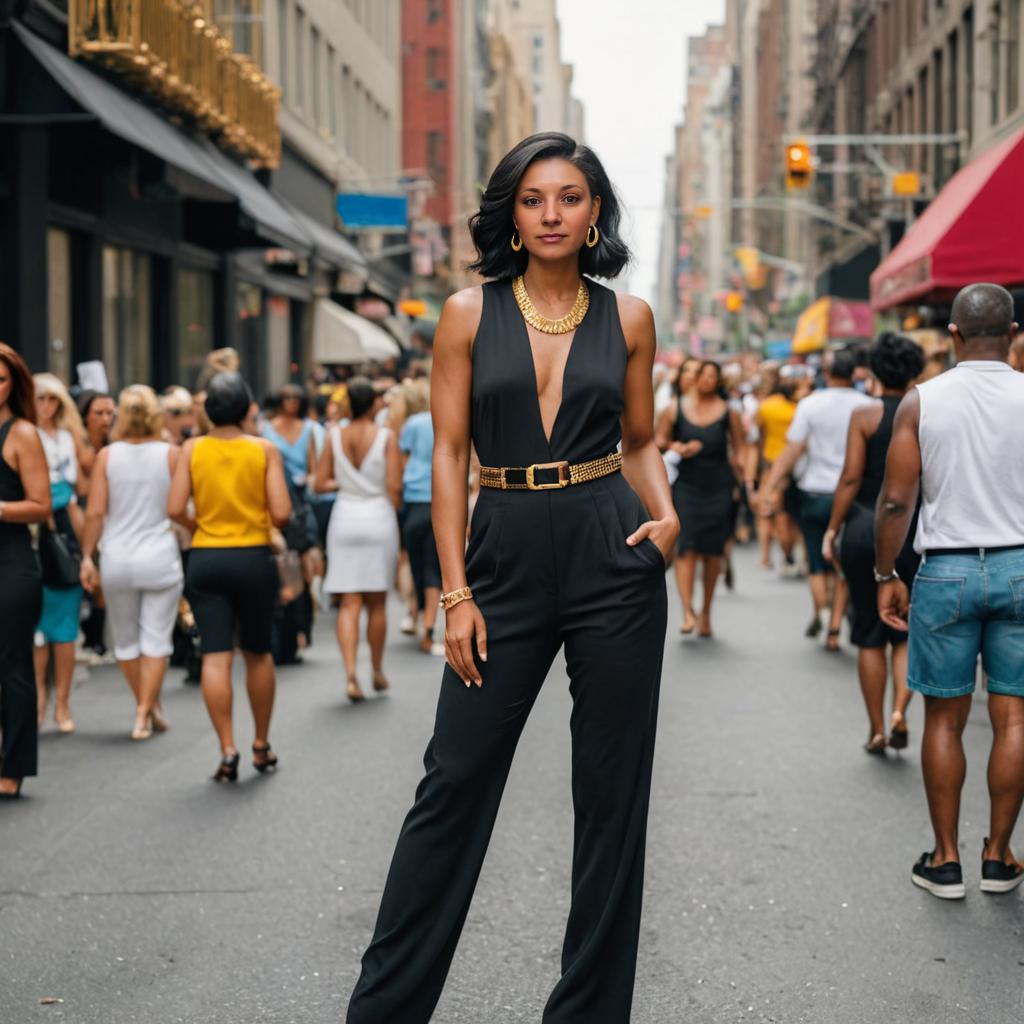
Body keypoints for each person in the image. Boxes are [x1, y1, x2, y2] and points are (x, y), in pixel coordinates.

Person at [346, 132, 676, 1024]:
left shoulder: (631, 317)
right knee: (453, 780)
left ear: (595, 209)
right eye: (533, 200)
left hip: (614, 546)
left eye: (569, 197)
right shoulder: (465, 313)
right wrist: (454, 593)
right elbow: (449, 452)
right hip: (502, 551)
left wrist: (667, 513)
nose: (551, 214)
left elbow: (639, 439)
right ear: (512, 215)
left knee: (612, 794)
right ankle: (382, 1010)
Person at [876, 283, 1024, 901]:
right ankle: (999, 855)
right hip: (1021, 567)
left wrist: (887, 575)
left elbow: (894, 500)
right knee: (1013, 714)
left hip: (947, 571)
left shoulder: (923, 401)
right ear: (1012, 334)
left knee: (945, 716)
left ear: (954, 336)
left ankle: (945, 861)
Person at [168, 372, 291, 782]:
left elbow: (173, 508)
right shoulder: (264, 450)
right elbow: (282, 512)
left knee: (215, 656)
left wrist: (200, 522)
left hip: (206, 556)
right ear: (246, 408)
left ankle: (227, 747)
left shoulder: (191, 449)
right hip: (253, 556)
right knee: (257, 652)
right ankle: (260, 743)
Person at [823, 334, 925, 754]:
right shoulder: (925, 414)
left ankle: (877, 728)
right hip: (914, 531)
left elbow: (850, 478)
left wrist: (833, 528)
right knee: (905, 633)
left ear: (875, 371)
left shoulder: (864, 415)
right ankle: (902, 710)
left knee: (869, 632)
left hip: (866, 526)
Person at [79, 386, 183, 741]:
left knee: (125, 640)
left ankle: (145, 705)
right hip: (158, 554)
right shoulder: (171, 454)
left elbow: (95, 511)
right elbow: (181, 506)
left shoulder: (108, 456)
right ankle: (145, 710)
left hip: (117, 556)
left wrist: (86, 556)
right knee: (156, 639)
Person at [760, 349, 873, 650]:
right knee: (842, 559)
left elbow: (793, 449)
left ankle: (822, 610)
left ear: (826, 371)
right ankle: (835, 624)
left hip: (815, 491)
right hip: (854, 494)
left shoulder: (811, 405)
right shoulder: (868, 405)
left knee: (815, 557)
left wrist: (769, 487)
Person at [315, 377, 402, 701]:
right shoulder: (386, 437)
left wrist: (344, 485)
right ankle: (376, 670)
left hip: (344, 519)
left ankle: (351, 675)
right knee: (376, 602)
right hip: (378, 517)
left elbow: (320, 482)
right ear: (373, 403)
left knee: (349, 603)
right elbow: (394, 485)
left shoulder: (334, 435)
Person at [655, 359, 743, 638]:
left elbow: (740, 450)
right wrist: (676, 446)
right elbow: (657, 441)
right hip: (687, 486)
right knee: (686, 548)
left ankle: (706, 611)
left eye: (711, 375)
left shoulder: (729, 412)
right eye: (701, 374)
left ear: (717, 381)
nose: (705, 379)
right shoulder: (675, 407)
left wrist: (746, 484)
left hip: (718, 486)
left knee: (712, 551)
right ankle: (687, 611)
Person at [0, 345, 51, 799]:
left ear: (14, 384)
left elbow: (41, 505)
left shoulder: (22, 435)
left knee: (12, 666)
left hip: (11, 565)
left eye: (0, 379)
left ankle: (13, 765)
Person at [32, 373, 86, 733]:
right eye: (40, 399)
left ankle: (62, 703)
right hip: (31, 531)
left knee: (64, 627)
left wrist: (90, 552)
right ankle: (38, 700)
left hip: (64, 534)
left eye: (54, 399)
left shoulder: (68, 439)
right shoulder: (22, 434)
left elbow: (81, 489)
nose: (47, 407)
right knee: (35, 628)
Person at [398, 376, 444, 655]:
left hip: (413, 500)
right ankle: (428, 630)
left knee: (416, 564)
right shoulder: (442, 419)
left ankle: (417, 618)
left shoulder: (411, 425)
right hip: (438, 499)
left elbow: (403, 460)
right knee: (434, 569)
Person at [750, 376, 799, 574]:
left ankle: (766, 555)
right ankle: (788, 552)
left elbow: (757, 436)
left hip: (770, 465)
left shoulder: (765, 407)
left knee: (766, 512)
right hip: (793, 467)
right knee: (785, 514)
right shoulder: (801, 408)